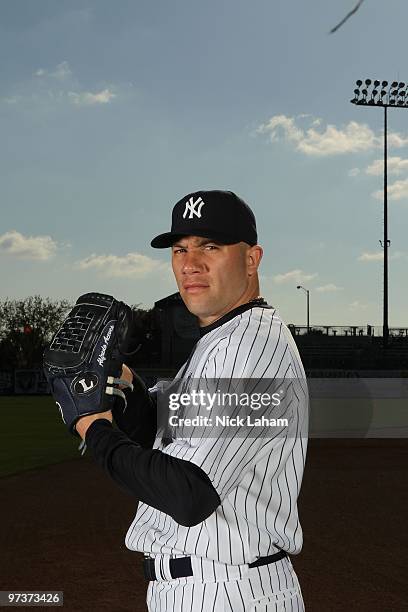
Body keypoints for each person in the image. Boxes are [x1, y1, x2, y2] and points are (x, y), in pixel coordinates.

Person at [76, 190, 309, 611]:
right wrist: (124, 385)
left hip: (226, 591)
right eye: (180, 249)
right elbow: (166, 434)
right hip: (212, 588)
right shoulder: (223, 341)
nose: (190, 264)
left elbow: (189, 492)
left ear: (252, 259)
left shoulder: (248, 347)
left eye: (210, 247)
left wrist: (92, 427)